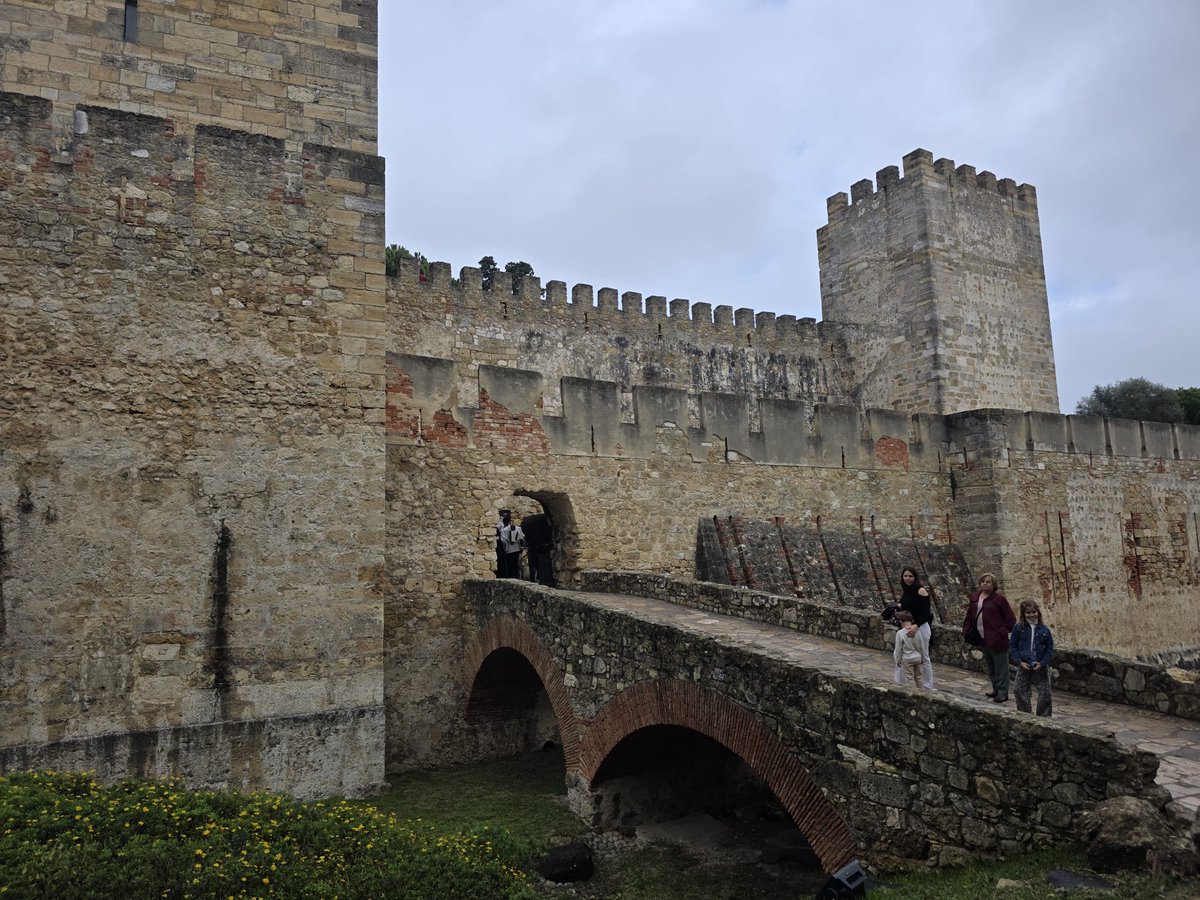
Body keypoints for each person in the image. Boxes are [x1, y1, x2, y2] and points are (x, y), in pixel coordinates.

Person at [962, 573, 1015, 703]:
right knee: (991, 666)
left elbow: (1010, 619)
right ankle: (996, 689)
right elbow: (970, 615)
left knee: (1001, 666)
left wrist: (1000, 633)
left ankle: (1003, 692)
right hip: (983, 637)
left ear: (993, 584)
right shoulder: (975, 597)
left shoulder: (999, 599)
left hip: (997, 639)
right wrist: (965, 630)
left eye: (988, 582)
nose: (985, 583)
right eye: (983, 581)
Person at [1009, 600, 1054, 717]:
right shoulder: (1018, 628)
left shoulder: (1044, 630)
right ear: (1023, 614)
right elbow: (1013, 646)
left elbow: (1049, 649)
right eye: (1028, 613)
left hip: (1040, 665)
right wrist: (1019, 661)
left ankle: (1044, 716)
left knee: (1045, 692)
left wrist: (1043, 663)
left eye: (1034, 612)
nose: (1031, 615)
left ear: (1038, 612)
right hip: (1024, 664)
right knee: (1019, 689)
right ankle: (1025, 714)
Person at [898, 566, 934, 688]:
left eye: (910, 576)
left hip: (921, 628)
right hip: (908, 627)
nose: (907, 578)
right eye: (905, 576)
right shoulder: (906, 590)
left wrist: (916, 626)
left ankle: (927, 685)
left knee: (924, 657)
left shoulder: (921, 590)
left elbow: (926, 613)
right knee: (905, 655)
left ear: (915, 577)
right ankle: (905, 682)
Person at [892, 610, 931, 689]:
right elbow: (921, 647)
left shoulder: (900, 633)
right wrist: (922, 657)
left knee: (909, 678)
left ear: (900, 621)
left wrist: (897, 660)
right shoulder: (918, 632)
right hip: (918, 657)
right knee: (919, 677)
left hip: (907, 658)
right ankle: (921, 692)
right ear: (912, 620)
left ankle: (911, 693)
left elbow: (898, 649)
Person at [496, 509, 525, 579]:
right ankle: (517, 577)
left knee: (509, 565)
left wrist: (506, 548)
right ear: (509, 521)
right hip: (517, 549)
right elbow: (522, 537)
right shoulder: (518, 528)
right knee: (516, 564)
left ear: (503, 522)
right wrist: (521, 547)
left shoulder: (503, 530)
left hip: (509, 550)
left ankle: (510, 577)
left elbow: (503, 541)